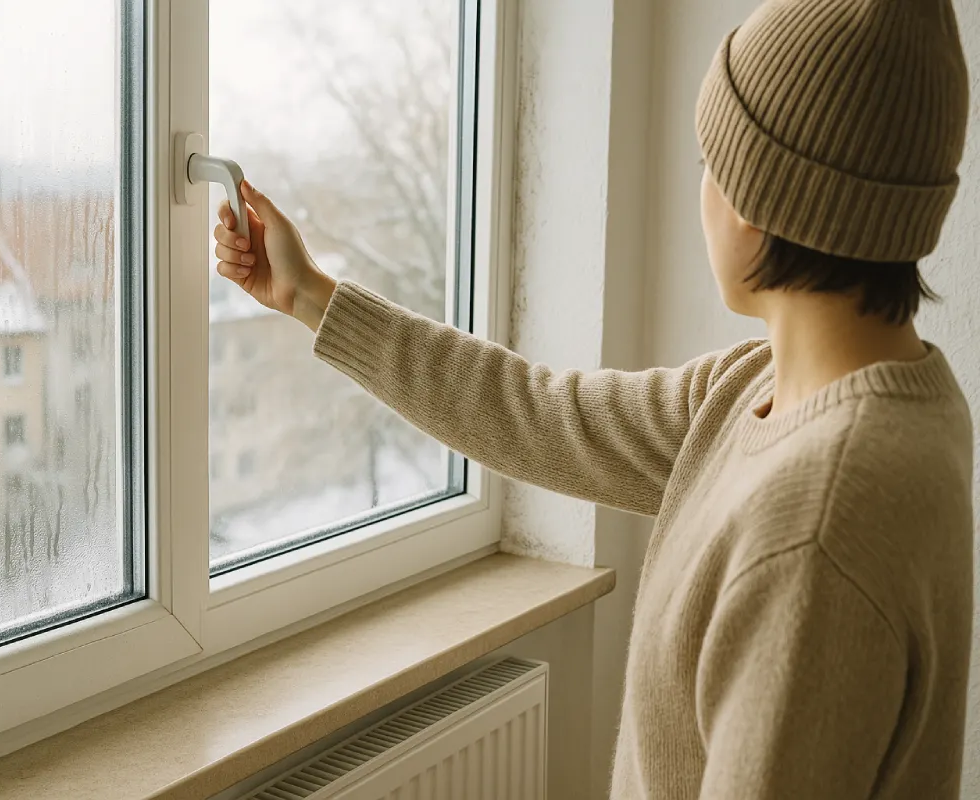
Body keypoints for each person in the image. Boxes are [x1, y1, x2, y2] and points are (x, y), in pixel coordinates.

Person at [211, 0, 974, 796]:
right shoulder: (816, 395)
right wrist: (312, 298)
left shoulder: (816, 526)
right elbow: (538, 413)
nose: (702, 186)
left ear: (757, 199)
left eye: (711, 158)